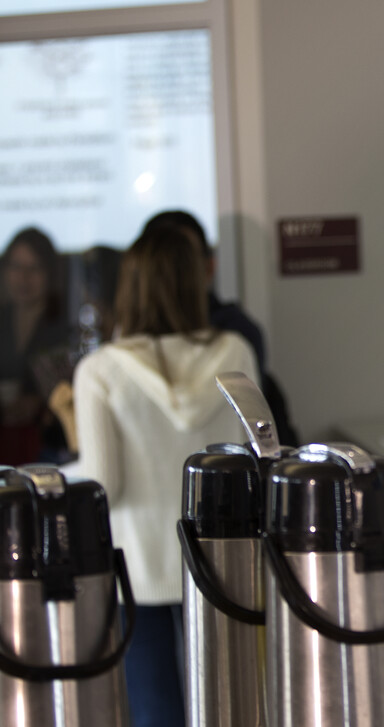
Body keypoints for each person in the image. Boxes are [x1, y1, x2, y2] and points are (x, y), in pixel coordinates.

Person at [72, 225, 259, 727]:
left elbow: (102, 483)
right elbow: (255, 458)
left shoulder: (101, 370)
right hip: (222, 563)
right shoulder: (236, 354)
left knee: (155, 712)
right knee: (231, 704)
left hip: (136, 571)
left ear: (129, 286)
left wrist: (45, 477)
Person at [141, 209, 300, 446]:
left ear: (208, 267)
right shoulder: (131, 338)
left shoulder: (235, 338)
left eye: (184, 262)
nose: (173, 276)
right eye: (163, 264)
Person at [0, 227, 71, 464]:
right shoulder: (2, 320)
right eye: (16, 267)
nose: (23, 277)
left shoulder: (65, 328)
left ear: (49, 273)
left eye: (34, 268)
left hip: (49, 452)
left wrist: (39, 404)